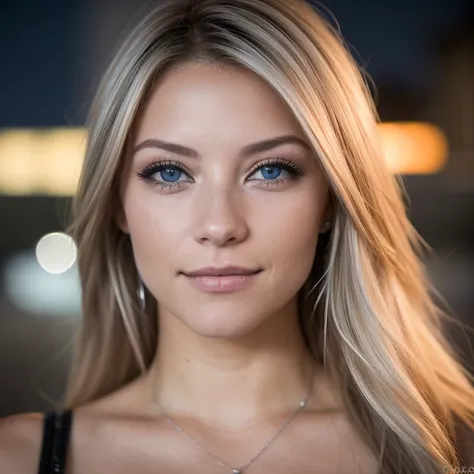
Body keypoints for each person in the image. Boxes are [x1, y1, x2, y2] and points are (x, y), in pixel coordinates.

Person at [1, 0, 473, 472]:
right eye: (169, 173)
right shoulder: (17, 459)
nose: (220, 226)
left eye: (270, 170)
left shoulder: (450, 449)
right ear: (117, 203)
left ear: (330, 198)